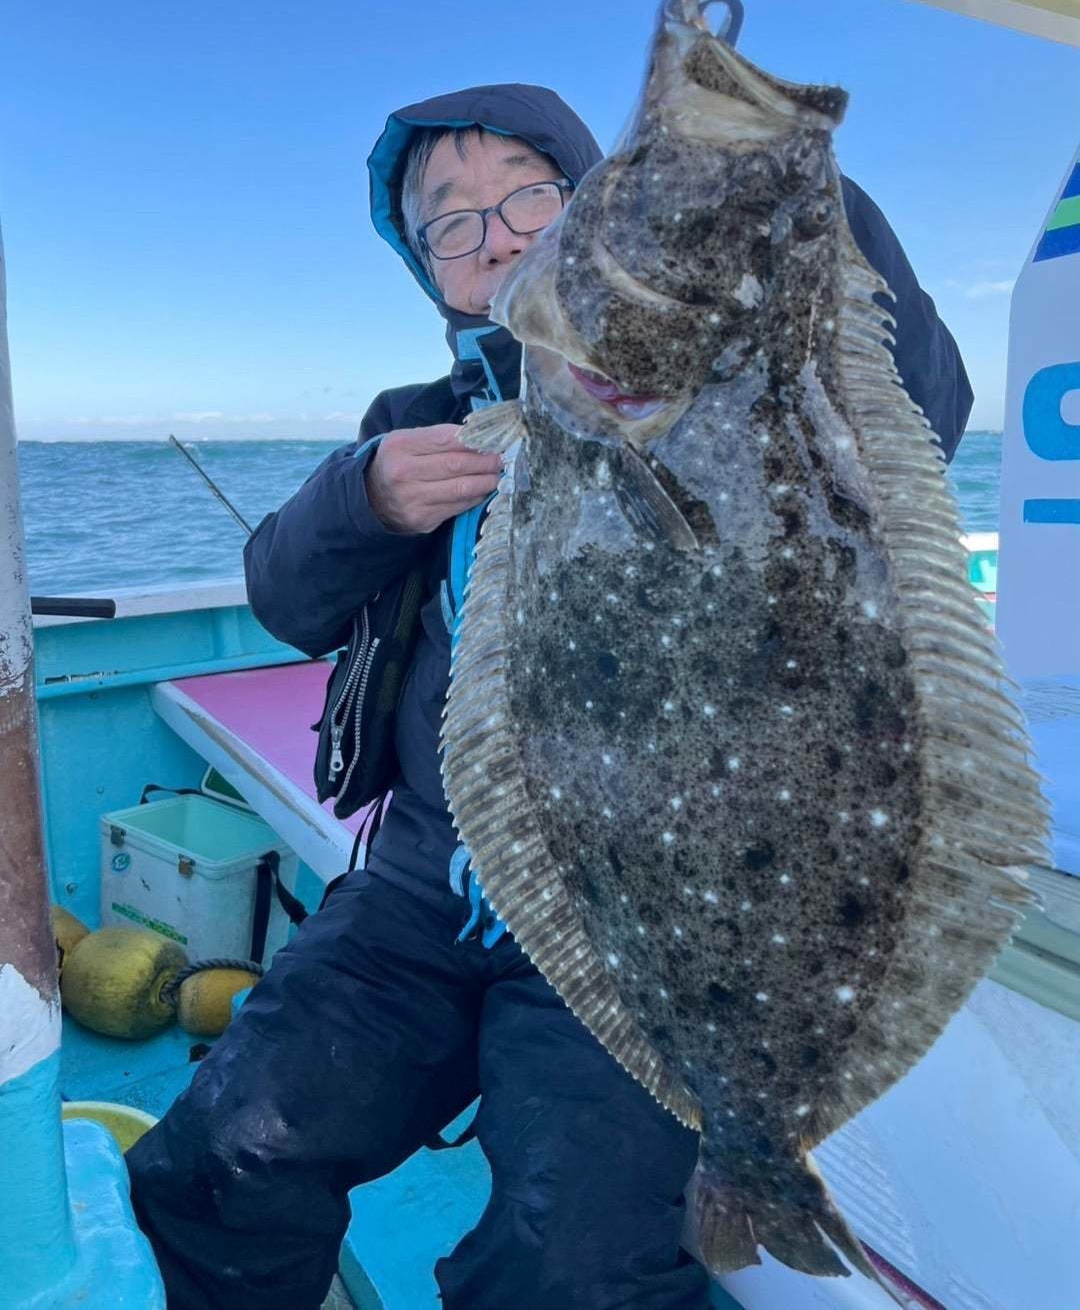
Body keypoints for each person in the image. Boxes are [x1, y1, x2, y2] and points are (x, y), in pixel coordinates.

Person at [126, 81, 974, 1310]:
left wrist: (789, 180)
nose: (496, 235)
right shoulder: (413, 424)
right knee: (216, 1153)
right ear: (427, 266)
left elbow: (918, 406)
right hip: (422, 886)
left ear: (593, 206)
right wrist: (366, 497)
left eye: (528, 194)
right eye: (449, 220)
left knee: (569, 1265)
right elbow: (283, 596)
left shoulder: (715, 387)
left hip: (644, 909)